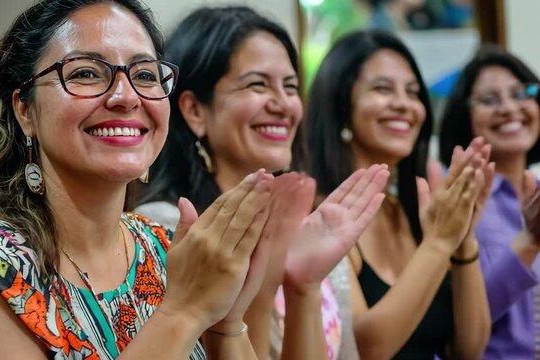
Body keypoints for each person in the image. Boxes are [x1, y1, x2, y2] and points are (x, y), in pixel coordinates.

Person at [137, 6, 388, 360]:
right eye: (257, 84)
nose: (283, 104)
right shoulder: (169, 229)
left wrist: (304, 286)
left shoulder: (311, 223)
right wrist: (265, 279)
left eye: (290, 86)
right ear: (195, 110)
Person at [306, 29, 491, 359]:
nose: (404, 105)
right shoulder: (319, 216)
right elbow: (364, 349)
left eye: (413, 92)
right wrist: (439, 242)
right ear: (340, 103)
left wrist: (464, 238)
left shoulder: (410, 209)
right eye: (382, 88)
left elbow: (468, 348)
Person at [439, 44, 540, 359]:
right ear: (463, 116)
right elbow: (456, 325)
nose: (510, 108)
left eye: (521, 93)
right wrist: (529, 243)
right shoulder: (456, 201)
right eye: (489, 99)